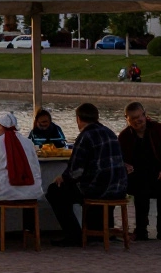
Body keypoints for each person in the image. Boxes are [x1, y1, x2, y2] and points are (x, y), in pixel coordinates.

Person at [45, 103, 127, 247]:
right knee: (82, 185)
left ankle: (74, 235)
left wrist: (62, 178)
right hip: (118, 189)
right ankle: (96, 232)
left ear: (78, 119)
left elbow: (76, 170)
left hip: (97, 189)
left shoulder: (85, 136)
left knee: (54, 191)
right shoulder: (110, 133)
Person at [0, 112, 43, 249]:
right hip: (32, 191)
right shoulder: (28, 142)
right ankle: (30, 231)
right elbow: (36, 168)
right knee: (21, 193)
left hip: (4, 193)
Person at [119, 102, 161, 240]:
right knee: (141, 187)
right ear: (127, 119)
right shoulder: (124, 136)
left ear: (145, 115)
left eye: (139, 117)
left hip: (158, 173)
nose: (137, 121)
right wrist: (125, 165)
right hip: (137, 176)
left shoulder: (158, 129)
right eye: (132, 118)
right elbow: (118, 158)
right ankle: (141, 229)